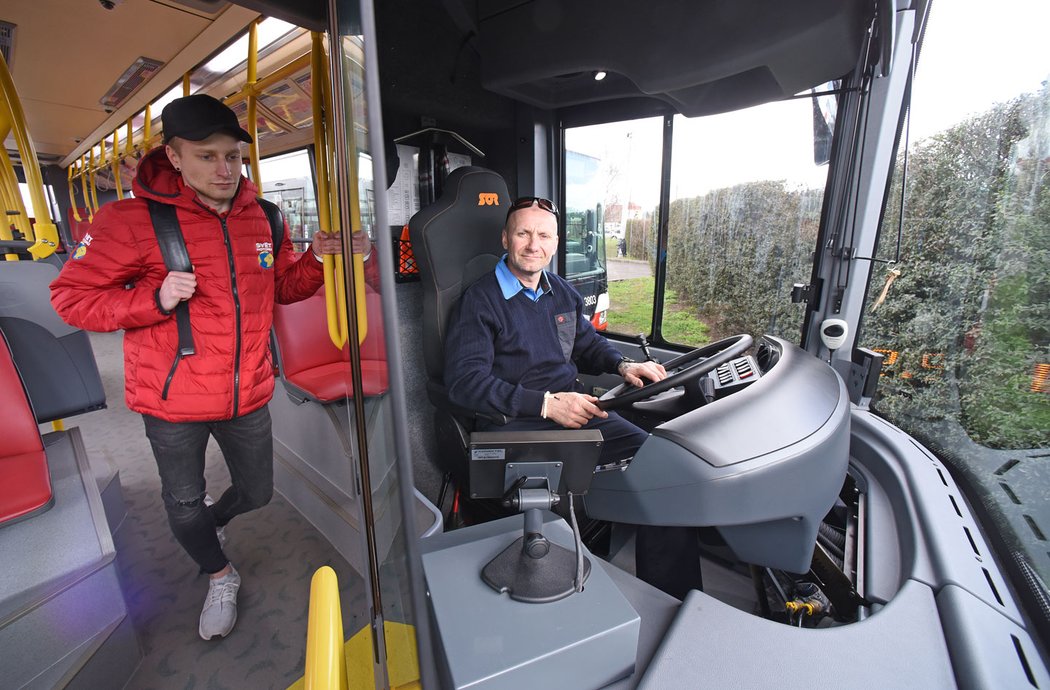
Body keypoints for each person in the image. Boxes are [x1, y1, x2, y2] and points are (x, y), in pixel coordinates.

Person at [50, 94, 344, 640]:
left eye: (232, 156)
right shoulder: (127, 221)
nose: (224, 169)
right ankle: (218, 571)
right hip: (170, 399)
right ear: (175, 158)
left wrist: (319, 260)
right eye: (207, 156)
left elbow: (280, 286)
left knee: (256, 493)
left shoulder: (266, 217)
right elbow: (70, 298)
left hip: (247, 391)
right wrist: (153, 301)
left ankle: (207, 525)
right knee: (182, 501)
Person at [444, 198, 701, 597]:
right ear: (505, 238)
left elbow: (586, 343)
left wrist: (622, 365)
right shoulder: (479, 302)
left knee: (662, 466)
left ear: (556, 242)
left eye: (543, 235)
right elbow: (465, 383)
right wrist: (546, 404)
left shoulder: (559, 291)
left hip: (575, 410)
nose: (533, 244)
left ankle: (675, 599)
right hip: (516, 424)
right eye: (523, 233)